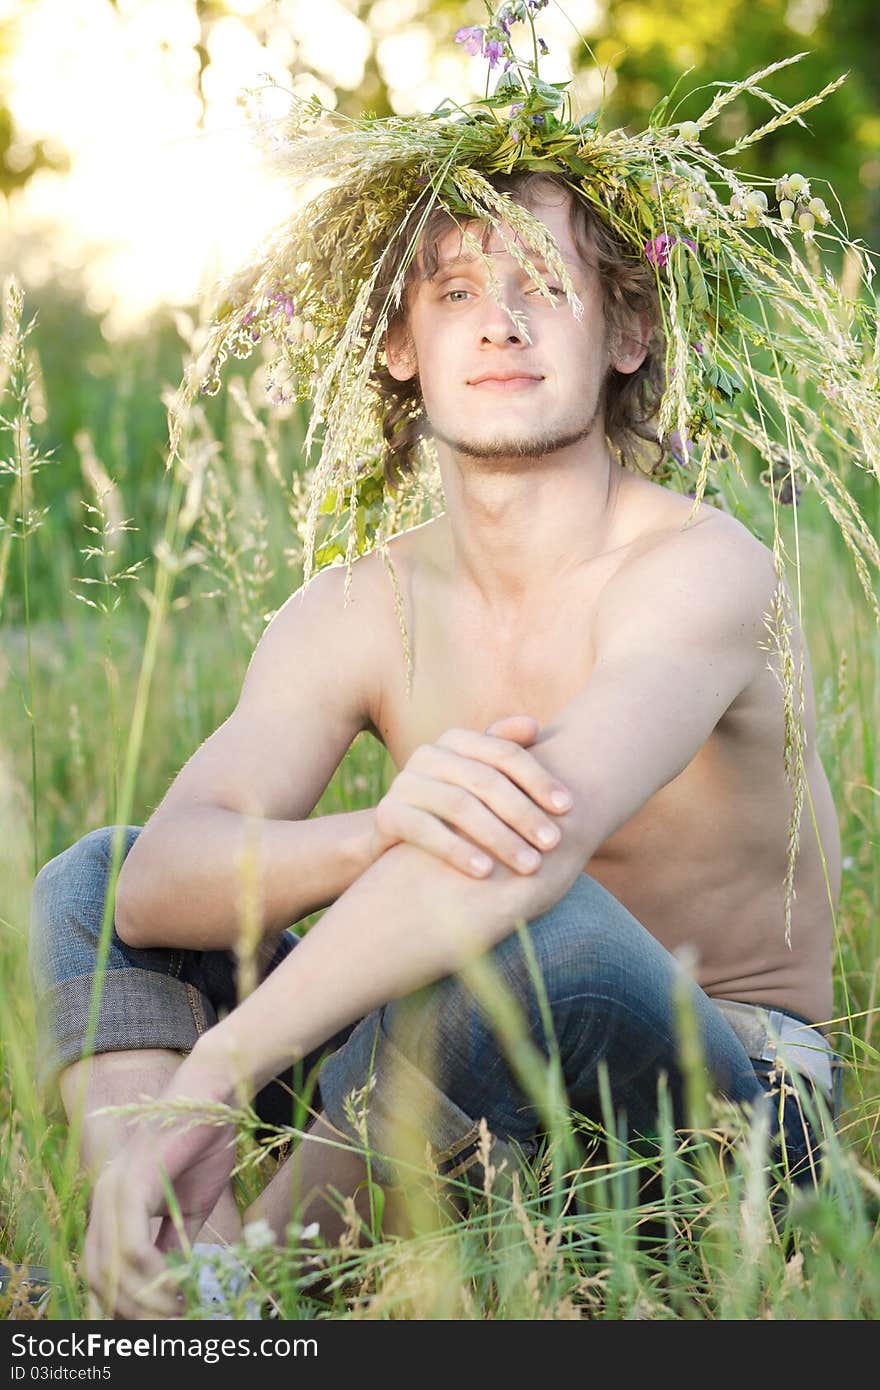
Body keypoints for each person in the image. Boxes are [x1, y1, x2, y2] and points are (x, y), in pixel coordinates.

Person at [29, 173, 843, 1320]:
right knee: (95, 875)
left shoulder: (703, 568)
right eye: (455, 289)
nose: (499, 321)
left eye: (544, 284)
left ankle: (253, 1289)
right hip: (440, 1055)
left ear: (627, 329)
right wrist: (380, 829)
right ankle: (164, 1255)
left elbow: (525, 853)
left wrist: (214, 1075)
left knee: (527, 920)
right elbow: (160, 888)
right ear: (403, 343)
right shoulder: (359, 605)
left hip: (718, 1111)